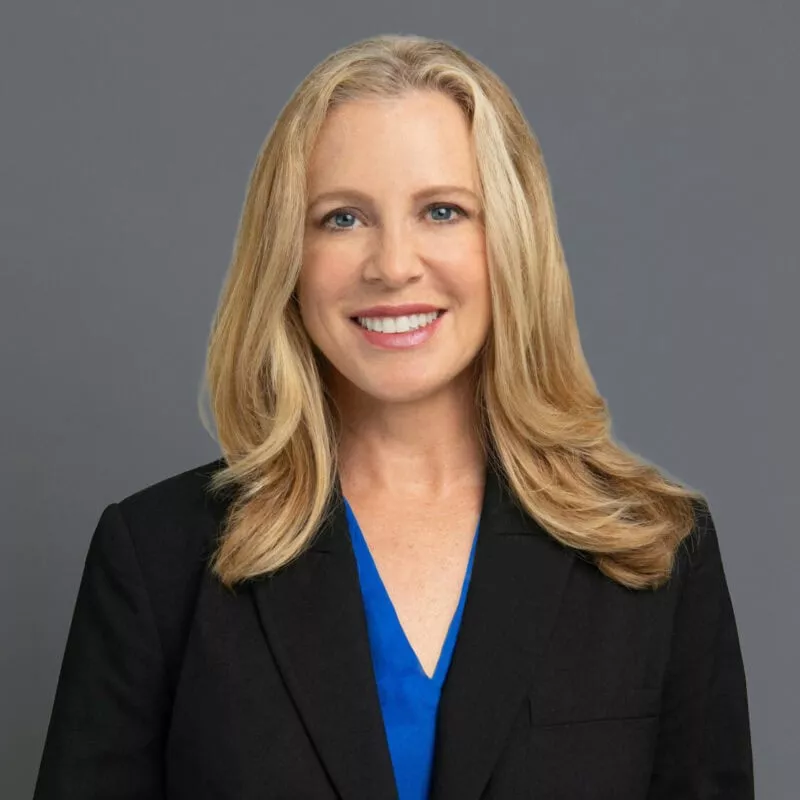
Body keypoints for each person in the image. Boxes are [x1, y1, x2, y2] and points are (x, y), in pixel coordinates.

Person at [33, 33, 754, 799]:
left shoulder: (655, 551)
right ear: (287, 256)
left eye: (443, 210)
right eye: (343, 219)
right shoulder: (156, 559)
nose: (394, 264)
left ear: (511, 242)